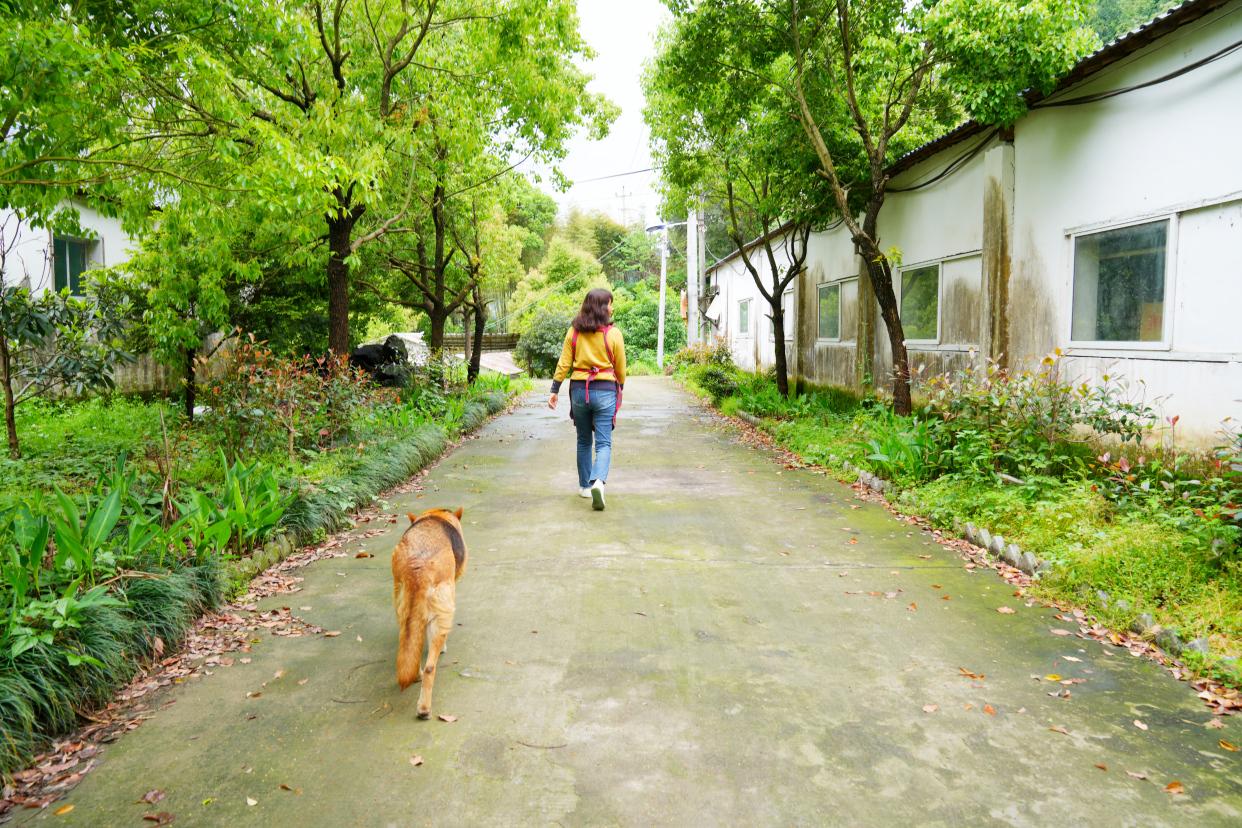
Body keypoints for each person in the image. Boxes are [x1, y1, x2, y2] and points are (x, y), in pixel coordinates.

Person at [548, 288, 626, 511]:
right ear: (602, 307)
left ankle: (584, 486)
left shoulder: (574, 332)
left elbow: (564, 362)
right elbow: (620, 367)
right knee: (603, 443)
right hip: (605, 389)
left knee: (583, 440)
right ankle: (599, 482)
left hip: (579, 391)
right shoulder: (613, 334)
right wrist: (619, 385)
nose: (612, 308)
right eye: (610, 304)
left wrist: (555, 389)